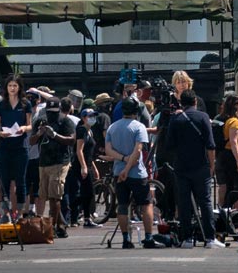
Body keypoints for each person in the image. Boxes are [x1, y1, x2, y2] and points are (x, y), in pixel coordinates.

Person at [165, 89, 225, 248]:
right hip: (200, 166)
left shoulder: (176, 119)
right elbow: (210, 145)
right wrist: (211, 165)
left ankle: (187, 238)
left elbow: (169, 145)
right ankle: (210, 238)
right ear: (195, 102)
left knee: (184, 202)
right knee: (205, 201)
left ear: (181, 103)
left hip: (181, 166)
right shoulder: (203, 117)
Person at [104, 96, 156, 249]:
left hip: (118, 171)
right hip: (137, 173)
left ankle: (126, 239)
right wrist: (128, 167)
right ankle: (148, 237)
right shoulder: (139, 127)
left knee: (122, 205)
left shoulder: (112, 127)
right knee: (146, 204)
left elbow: (108, 150)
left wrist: (122, 159)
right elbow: (138, 151)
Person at [32, 97, 76, 238]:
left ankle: (52, 227)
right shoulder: (40, 121)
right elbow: (31, 141)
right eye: (49, 111)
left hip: (60, 161)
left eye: (54, 111)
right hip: (44, 162)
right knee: (43, 195)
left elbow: (71, 140)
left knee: (54, 196)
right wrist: (39, 133)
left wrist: (55, 135)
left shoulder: (65, 121)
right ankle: (61, 225)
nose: (51, 115)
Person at [0, 74, 32, 219]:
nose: (12, 88)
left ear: (19, 87)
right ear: (6, 87)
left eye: (15, 85)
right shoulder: (0, 105)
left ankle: (20, 212)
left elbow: (30, 125)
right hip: (5, 146)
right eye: (10, 86)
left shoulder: (25, 104)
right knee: (5, 180)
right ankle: (6, 211)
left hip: (20, 146)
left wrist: (23, 128)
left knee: (20, 180)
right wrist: (0, 134)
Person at [70, 107, 100, 227]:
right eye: (90, 116)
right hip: (80, 165)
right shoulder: (82, 130)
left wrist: (93, 167)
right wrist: (83, 167)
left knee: (87, 192)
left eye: (94, 116)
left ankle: (83, 215)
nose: (92, 118)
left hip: (87, 164)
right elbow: (79, 150)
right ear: (83, 118)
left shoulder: (90, 131)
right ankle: (77, 212)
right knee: (87, 192)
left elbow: (89, 153)